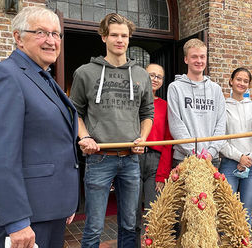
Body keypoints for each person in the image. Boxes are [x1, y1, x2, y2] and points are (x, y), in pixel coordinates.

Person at [0, 6, 79, 248]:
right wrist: (16, 222)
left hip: (49, 208)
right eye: (41, 32)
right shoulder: (5, 75)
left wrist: (64, 201)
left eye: (56, 34)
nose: (51, 41)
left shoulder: (43, 77)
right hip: (26, 217)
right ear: (18, 38)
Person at [69, 13, 154, 247]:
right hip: (99, 158)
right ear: (104, 37)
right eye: (114, 35)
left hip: (130, 159)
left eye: (124, 35)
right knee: (94, 226)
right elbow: (74, 112)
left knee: (129, 223)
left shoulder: (141, 74)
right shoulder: (85, 72)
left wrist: (143, 138)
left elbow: (148, 114)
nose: (120, 40)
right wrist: (84, 136)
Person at [167, 38, 226, 168]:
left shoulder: (216, 89)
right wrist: (194, 153)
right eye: (194, 57)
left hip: (212, 159)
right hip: (184, 158)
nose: (199, 61)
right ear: (186, 59)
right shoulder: (175, 88)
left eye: (202, 57)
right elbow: (176, 125)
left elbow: (221, 124)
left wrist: (210, 153)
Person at [219, 68, 252, 227]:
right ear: (231, 81)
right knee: (227, 212)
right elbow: (220, 138)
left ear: (249, 84)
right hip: (229, 165)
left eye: (246, 81)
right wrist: (239, 157)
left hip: (251, 167)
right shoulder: (222, 106)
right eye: (238, 79)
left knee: (245, 214)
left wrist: (248, 159)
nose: (242, 83)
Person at [136, 63, 172, 247]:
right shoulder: (133, 102)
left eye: (159, 76)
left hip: (155, 161)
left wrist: (162, 174)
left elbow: (168, 140)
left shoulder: (165, 106)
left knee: (153, 213)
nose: (155, 79)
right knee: (132, 213)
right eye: (151, 75)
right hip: (133, 159)